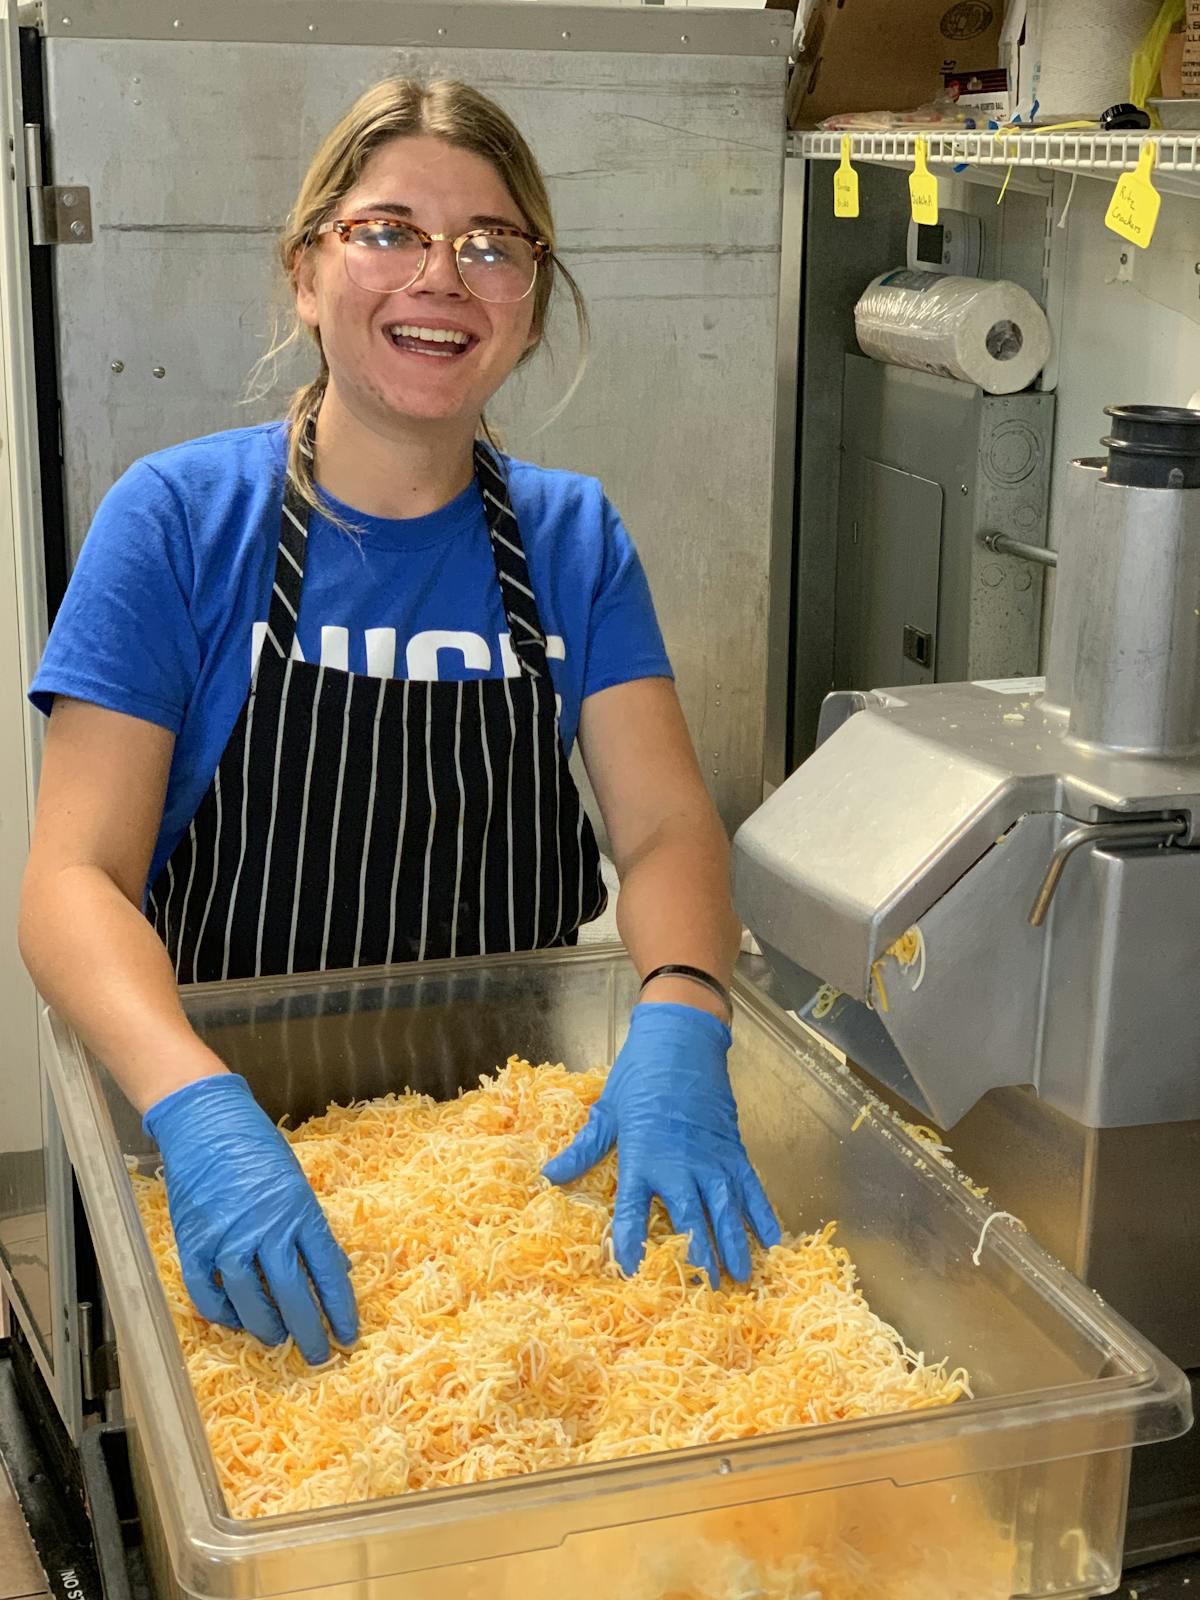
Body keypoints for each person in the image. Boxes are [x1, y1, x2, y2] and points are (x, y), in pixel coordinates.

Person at [19, 77, 779, 1367]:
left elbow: (664, 832)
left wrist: (684, 1006)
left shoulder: (572, 536)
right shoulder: (180, 522)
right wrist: (196, 1108)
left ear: (529, 304)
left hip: (507, 1173)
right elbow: (70, 879)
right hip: (242, 1179)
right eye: (389, 232)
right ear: (307, 272)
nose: (442, 276)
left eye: (491, 246)